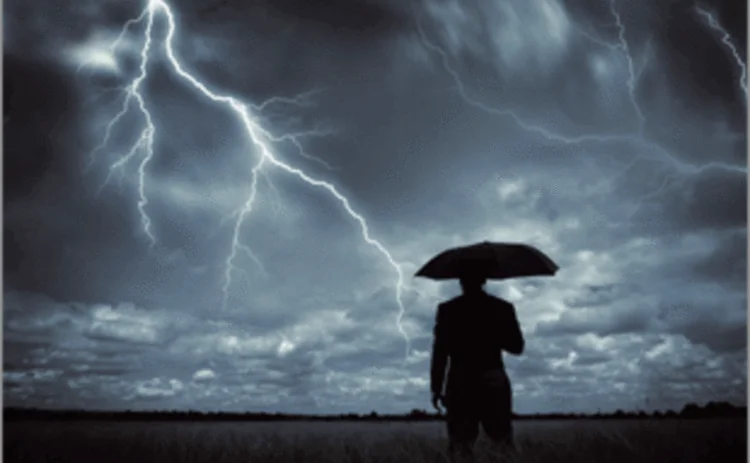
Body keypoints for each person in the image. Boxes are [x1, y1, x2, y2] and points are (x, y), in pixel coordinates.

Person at [430, 274, 525, 462]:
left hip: (460, 380)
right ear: (484, 281)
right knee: (502, 440)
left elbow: (440, 353)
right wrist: (493, 333)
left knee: (460, 444)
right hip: (493, 377)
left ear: (460, 282)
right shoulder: (502, 308)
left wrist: (436, 387)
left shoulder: (448, 309)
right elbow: (517, 347)